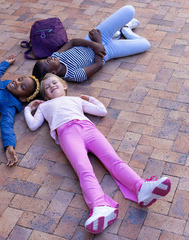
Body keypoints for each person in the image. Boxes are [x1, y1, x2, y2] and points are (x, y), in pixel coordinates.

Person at [24, 73, 171, 234]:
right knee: (84, 170)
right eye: (48, 87)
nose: (52, 86)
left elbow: (101, 111)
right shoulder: (45, 106)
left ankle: (142, 188)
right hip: (67, 135)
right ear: (45, 96)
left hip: (88, 129)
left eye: (54, 82)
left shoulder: (76, 100)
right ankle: (100, 207)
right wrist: (28, 109)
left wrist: (90, 99)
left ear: (64, 85)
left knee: (115, 161)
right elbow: (33, 125)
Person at [32, 5, 150, 82]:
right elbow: (98, 65)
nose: (50, 57)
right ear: (53, 73)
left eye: (47, 58)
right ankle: (125, 29)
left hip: (93, 38)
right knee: (145, 44)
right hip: (107, 52)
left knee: (129, 10)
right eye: (48, 61)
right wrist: (99, 44)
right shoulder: (74, 75)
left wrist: (95, 43)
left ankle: (118, 33)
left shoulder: (56, 56)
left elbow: (73, 42)